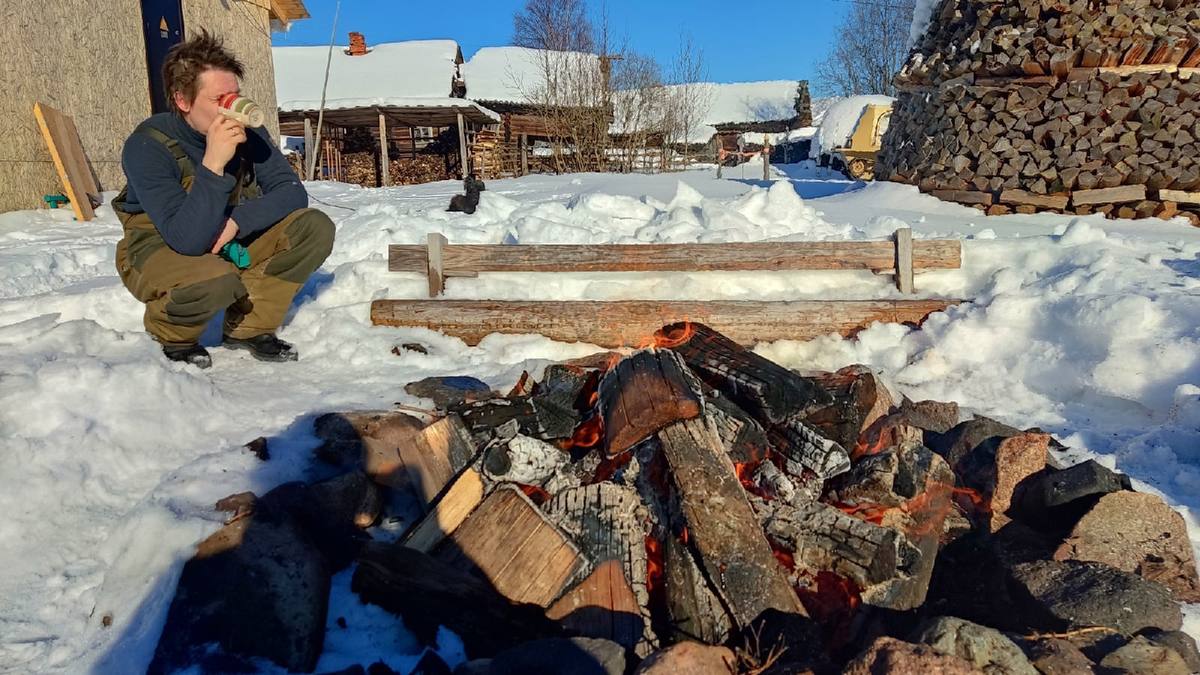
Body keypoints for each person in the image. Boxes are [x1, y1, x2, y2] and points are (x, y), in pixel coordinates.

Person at [112, 30, 334, 369]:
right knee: (214, 280)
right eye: (220, 100)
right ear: (183, 101)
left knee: (313, 227)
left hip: (225, 233)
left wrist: (236, 222)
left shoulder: (249, 133)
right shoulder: (148, 145)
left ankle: (248, 328)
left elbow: (292, 193)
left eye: (236, 96)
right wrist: (213, 163)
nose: (235, 108)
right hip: (160, 246)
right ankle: (173, 334)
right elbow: (185, 238)